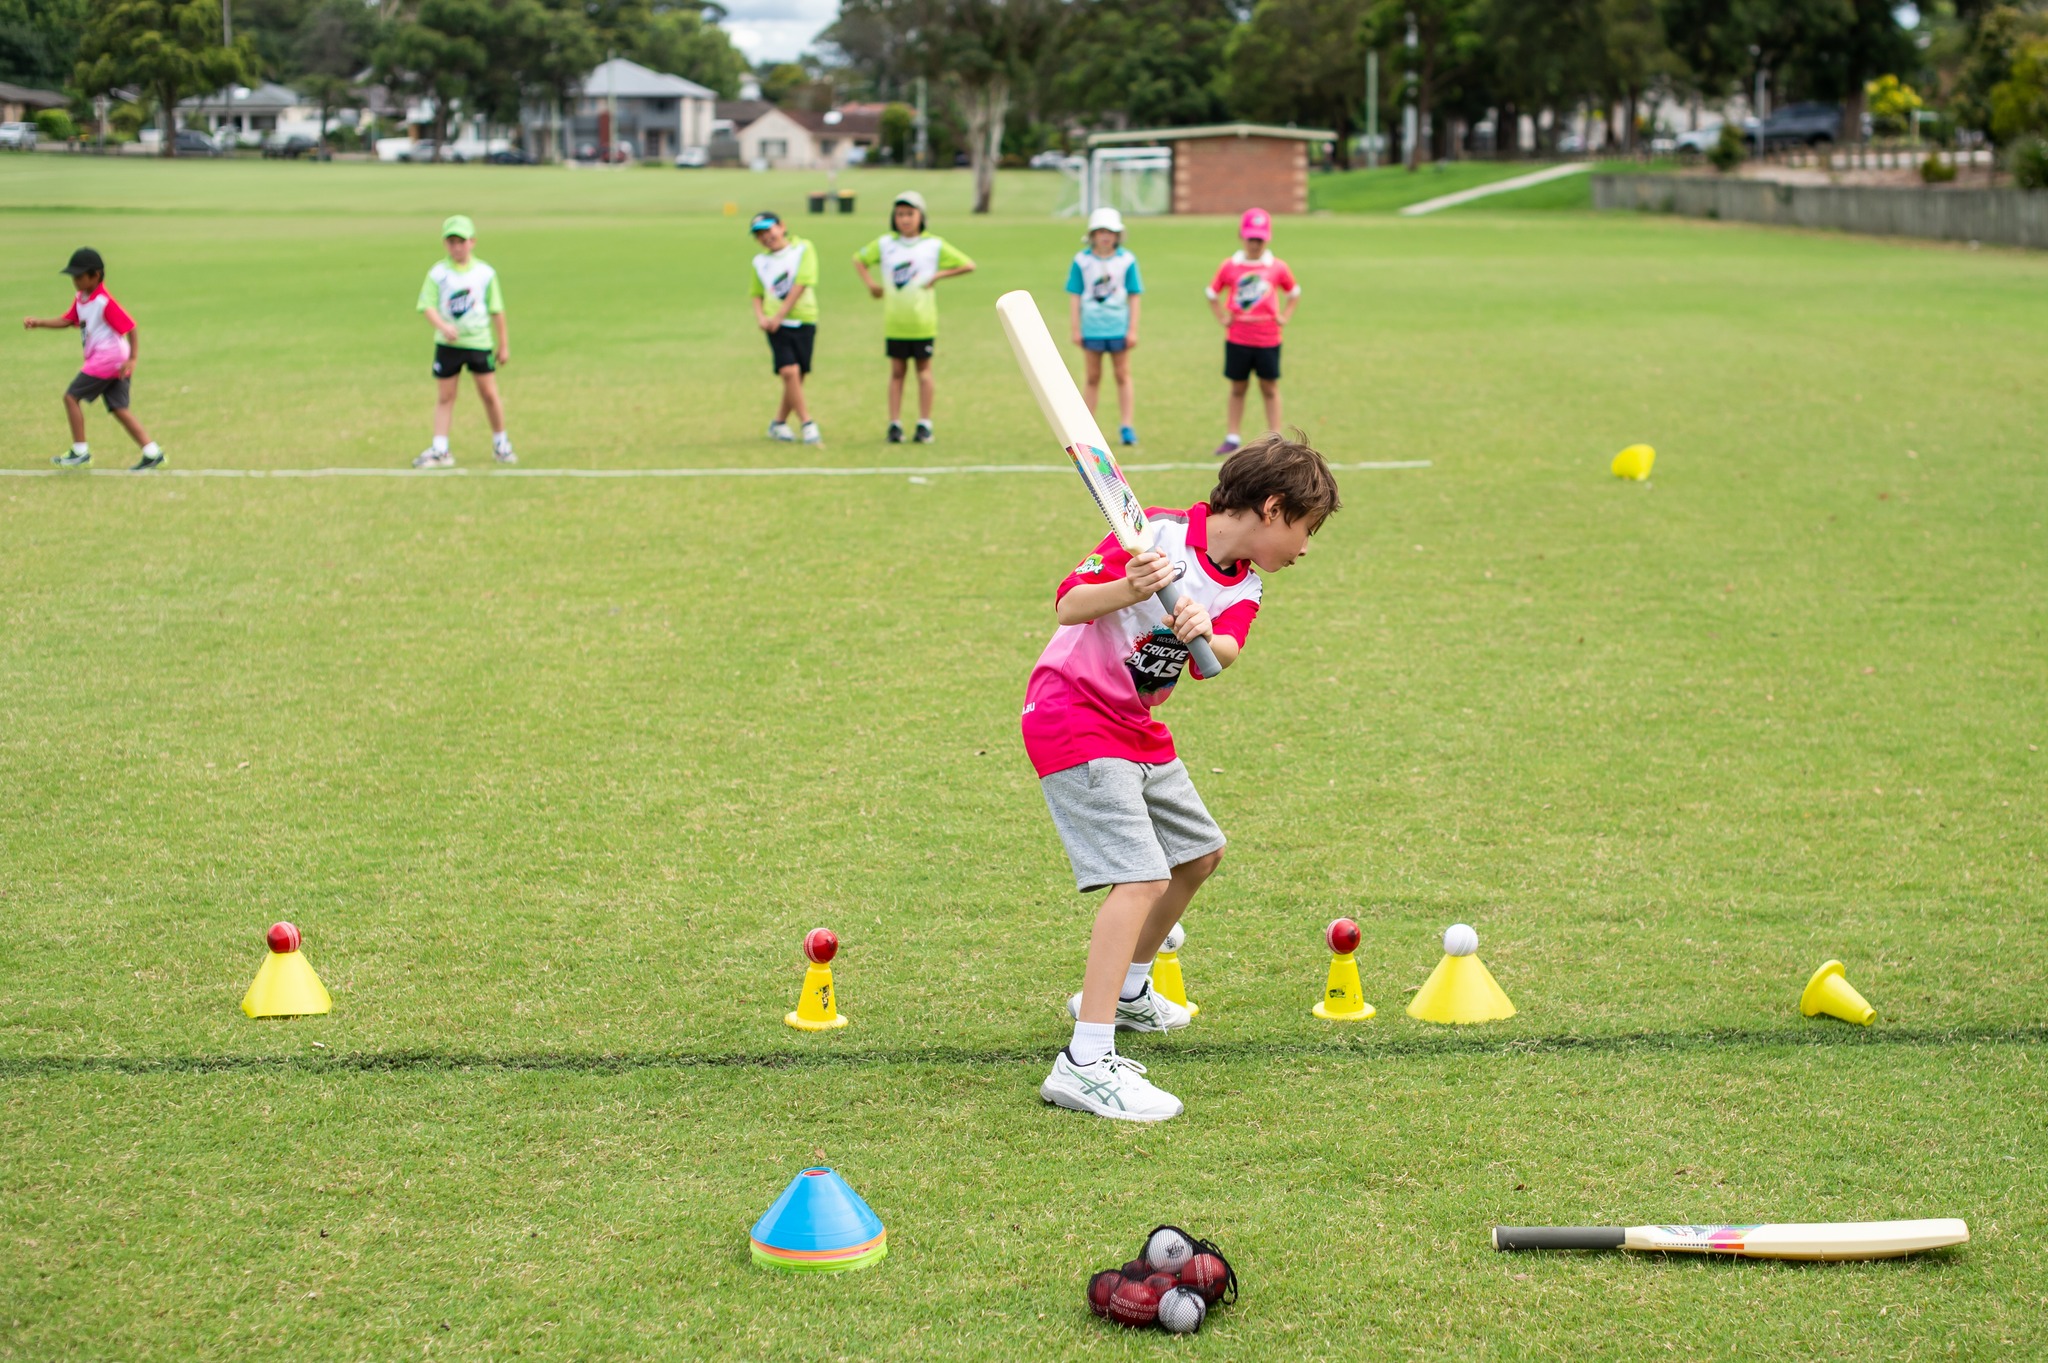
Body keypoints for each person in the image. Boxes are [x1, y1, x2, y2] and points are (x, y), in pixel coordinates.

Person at [1027, 434, 1341, 1121]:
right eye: (1305, 528)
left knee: (1199, 852)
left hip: (1134, 722)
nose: (1307, 546)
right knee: (1139, 877)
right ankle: (1085, 1060)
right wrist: (1127, 587)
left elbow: (1221, 653)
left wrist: (1204, 627)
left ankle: (1129, 987)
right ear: (1270, 507)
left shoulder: (1247, 581)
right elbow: (1067, 605)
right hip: (1072, 709)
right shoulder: (1153, 533)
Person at [23, 247, 166, 470]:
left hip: (108, 358)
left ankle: (80, 452)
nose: (75, 280)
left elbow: (131, 327)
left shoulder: (103, 302)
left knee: (71, 397)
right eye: (73, 276)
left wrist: (134, 358)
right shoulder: (82, 298)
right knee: (119, 408)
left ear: (95, 276)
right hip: (113, 360)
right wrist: (39, 323)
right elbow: (68, 320)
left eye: (79, 276)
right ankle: (152, 452)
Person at [853, 190, 975, 443]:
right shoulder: (886, 244)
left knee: (924, 371)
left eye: (910, 214)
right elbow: (860, 259)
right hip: (896, 321)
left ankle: (924, 423)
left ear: (921, 216)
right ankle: (894, 424)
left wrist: (937, 276)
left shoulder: (933, 245)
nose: (905, 219)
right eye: (900, 214)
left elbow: (967, 264)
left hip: (923, 321)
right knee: (897, 372)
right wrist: (871, 285)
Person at [413, 215, 513, 468]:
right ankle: (440, 449)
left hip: (479, 342)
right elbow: (427, 306)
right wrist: (443, 326)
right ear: (446, 244)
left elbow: (497, 309)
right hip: (448, 346)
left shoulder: (485, 273)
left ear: (472, 242)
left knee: (489, 394)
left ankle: (501, 444)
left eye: (462, 241)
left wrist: (503, 344)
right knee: (446, 396)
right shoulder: (438, 274)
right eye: (452, 241)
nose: (457, 246)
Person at [1206, 207, 1299, 458]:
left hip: (1268, 338)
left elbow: (1294, 292)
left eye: (1259, 238)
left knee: (1269, 387)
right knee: (1238, 387)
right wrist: (1223, 318)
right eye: (1251, 238)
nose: (1255, 243)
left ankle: (1274, 438)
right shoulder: (1230, 266)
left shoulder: (1277, 267)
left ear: (1267, 238)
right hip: (1238, 337)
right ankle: (1232, 436)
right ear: (1242, 236)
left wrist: (1285, 316)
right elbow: (1212, 293)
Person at [1065, 206, 1144, 447]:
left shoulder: (1127, 260)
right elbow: (1075, 295)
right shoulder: (1082, 261)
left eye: (1110, 231)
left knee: (1122, 374)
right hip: (1092, 326)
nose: (1105, 236)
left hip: (1117, 325)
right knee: (1092, 376)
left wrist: (1132, 328)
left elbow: (1134, 295)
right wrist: (1075, 328)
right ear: (1092, 235)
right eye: (1100, 231)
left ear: (1118, 235)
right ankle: (1086, 428)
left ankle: (1127, 426)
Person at [748, 210, 823, 446]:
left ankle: (778, 423)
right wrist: (762, 317)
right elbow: (756, 293)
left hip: (804, 319)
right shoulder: (760, 262)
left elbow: (802, 282)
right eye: (759, 234)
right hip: (775, 326)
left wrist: (781, 314)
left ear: (781, 226)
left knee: (798, 376)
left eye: (768, 230)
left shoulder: (803, 249)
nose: (766, 237)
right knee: (788, 372)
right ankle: (807, 423)